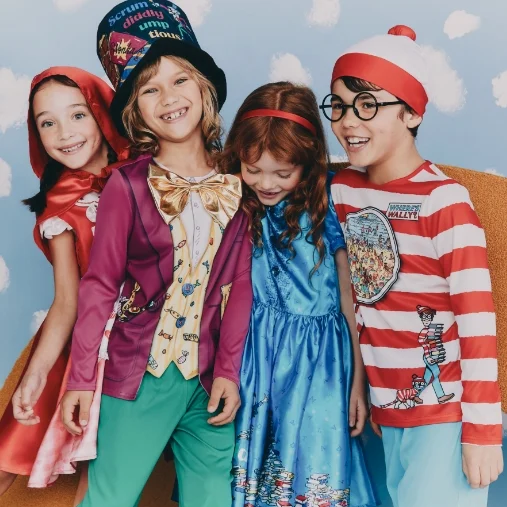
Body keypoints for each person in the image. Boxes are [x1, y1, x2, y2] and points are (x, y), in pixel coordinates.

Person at [60, 2, 252, 506]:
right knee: (110, 498)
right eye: (150, 89)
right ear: (134, 111)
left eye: (180, 80)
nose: (169, 98)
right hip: (140, 373)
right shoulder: (125, 186)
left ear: (204, 88)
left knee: (212, 500)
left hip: (207, 380)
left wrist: (228, 372)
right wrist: (81, 378)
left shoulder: (241, 184)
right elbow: (100, 284)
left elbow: (240, 289)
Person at [326, 24, 504, 507]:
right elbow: (355, 299)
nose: (348, 121)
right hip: (389, 411)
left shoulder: (444, 202)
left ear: (411, 112)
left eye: (367, 105)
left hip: (446, 414)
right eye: (338, 106)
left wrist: (483, 431)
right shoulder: (343, 190)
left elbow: (477, 318)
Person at [224, 81, 376, 507]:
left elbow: (350, 299)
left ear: (307, 162)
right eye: (253, 170)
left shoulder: (329, 202)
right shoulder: (234, 199)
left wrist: (359, 381)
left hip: (319, 362)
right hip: (255, 357)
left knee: (313, 465)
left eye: (282, 173)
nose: (265, 183)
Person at [0, 66, 128, 502]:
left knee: (106, 468)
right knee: (13, 446)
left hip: (142, 342)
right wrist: (35, 375)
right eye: (47, 123)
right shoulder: (61, 204)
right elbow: (67, 301)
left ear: (102, 113)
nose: (64, 133)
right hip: (78, 342)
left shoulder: (150, 176)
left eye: (77, 115)